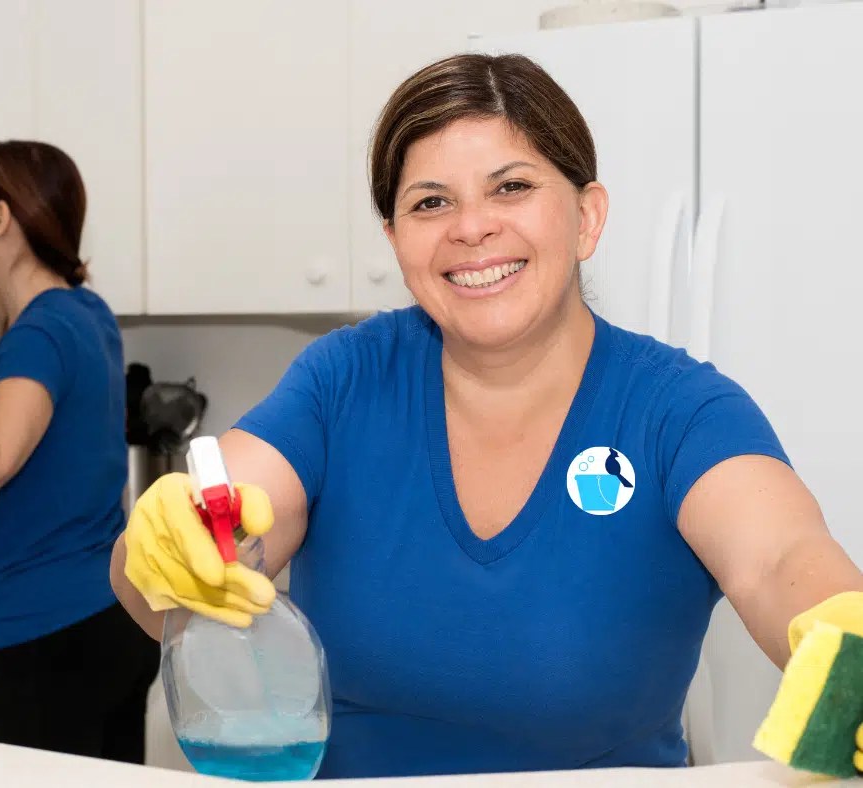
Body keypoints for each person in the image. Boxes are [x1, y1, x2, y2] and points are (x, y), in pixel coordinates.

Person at [111, 54, 863, 779]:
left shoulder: (677, 410)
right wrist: (163, 551)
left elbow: (780, 559)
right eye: (430, 202)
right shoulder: (344, 381)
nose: (471, 227)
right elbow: (213, 535)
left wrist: (847, 642)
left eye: (511, 187)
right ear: (396, 240)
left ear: (587, 217)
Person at [0, 140, 159, 762]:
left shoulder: (39, 337)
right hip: (110, 620)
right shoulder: (83, 312)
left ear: (1, 218)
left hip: (53, 642)